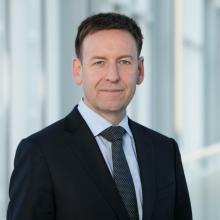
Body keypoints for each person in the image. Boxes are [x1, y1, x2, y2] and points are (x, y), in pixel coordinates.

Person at [7, 12, 192, 220]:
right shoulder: (41, 153)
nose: (112, 76)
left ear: (140, 70)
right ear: (78, 70)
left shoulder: (165, 151)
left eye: (124, 61)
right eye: (99, 62)